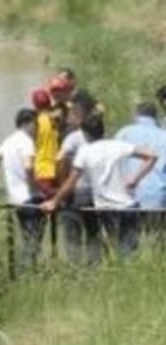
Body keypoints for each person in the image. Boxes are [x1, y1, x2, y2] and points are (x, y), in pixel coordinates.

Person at [44, 114, 158, 258]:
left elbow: (71, 181)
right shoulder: (118, 146)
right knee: (130, 252)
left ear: (85, 134)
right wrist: (136, 178)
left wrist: (54, 201)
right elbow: (152, 155)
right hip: (129, 206)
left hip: (107, 208)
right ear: (103, 131)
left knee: (114, 249)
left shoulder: (85, 152)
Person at [0, 108, 42, 271]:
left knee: (26, 236)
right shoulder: (27, 142)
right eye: (36, 124)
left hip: (15, 199)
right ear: (27, 123)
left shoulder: (8, 141)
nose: (38, 129)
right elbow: (28, 167)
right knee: (33, 239)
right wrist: (35, 187)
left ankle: (22, 270)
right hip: (29, 198)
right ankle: (27, 271)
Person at [56, 98, 101, 265]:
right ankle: (94, 267)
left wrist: (62, 185)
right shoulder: (99, 136)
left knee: (72, 231)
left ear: (79, 115)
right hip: (95, 192)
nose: (70, 118)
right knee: (93, 232)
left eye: (72, 114)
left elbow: (61, 161)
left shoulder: (73, 138)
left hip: (75, 191)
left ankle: (74, 267)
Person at [115, 102, 166, 239]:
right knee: (155, 238)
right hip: (157, 195)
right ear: (156, 117)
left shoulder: (123, 133)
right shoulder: (164, 136)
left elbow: (114, 161)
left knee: (128, 239)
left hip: (127, 194)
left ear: (136, 115)